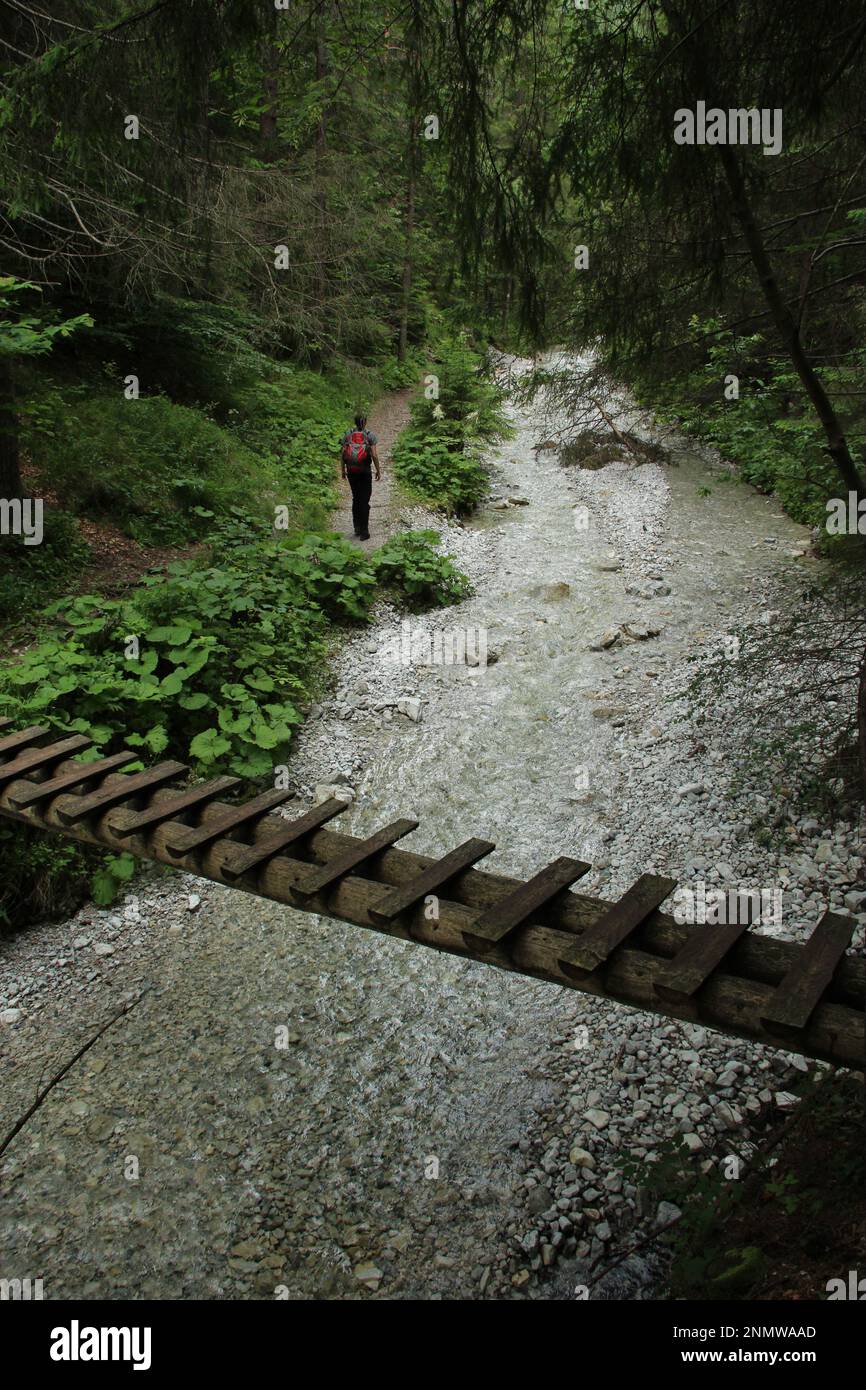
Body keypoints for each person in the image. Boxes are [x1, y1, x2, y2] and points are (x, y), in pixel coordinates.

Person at [339, 413, 381, 541]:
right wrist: (378, 470)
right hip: (365, 471)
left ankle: (356, 527)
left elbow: (342, 453)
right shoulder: (370, 435)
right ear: (365, 422)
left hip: (352, 471)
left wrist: (343, 470)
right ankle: (364, 531)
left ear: (355, 422)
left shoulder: (348, 434)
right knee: (364, 500)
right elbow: (374, 455)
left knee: (356, 498)